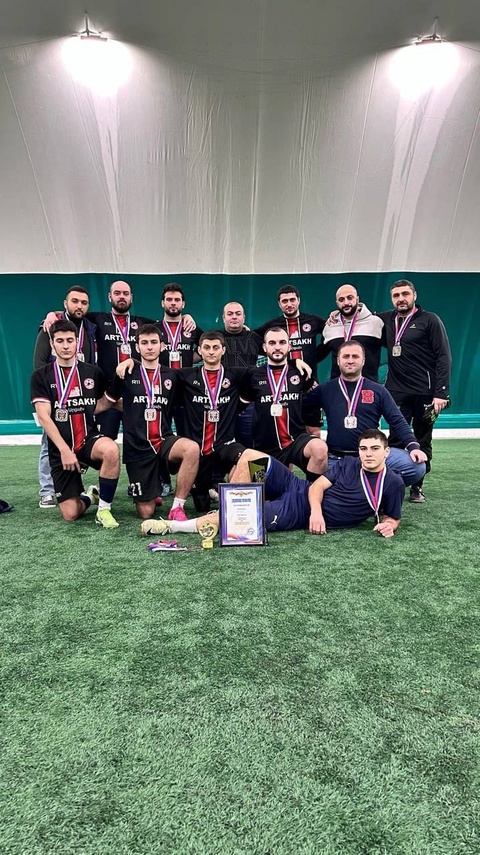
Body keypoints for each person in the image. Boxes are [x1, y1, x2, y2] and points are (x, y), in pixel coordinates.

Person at [141, 429, 405, 539]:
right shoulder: (349, 464)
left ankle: (172, 526)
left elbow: (392, 517)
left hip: (297, 511)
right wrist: (317, 513)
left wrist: (389, 526)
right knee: (251, 457)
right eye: (363, 448)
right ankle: (234, 506)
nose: (368, 454)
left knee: (242, 519)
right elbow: (317, 487)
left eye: (374, 449)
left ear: (386, 452)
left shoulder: (393, 483)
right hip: (300, 490)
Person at [104, 325, 199, 521]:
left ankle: (177, 507)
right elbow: (109, 401)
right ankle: (151, 492)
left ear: (162, 346)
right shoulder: (126, 373)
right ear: (137, 347)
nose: (149, 347)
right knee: (146, 513)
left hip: (163, 440)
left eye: (154, 342)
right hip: (137, 447)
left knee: (191, 448)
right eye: (144, 343)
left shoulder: (172, 376)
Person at [31, 320, 121, 527]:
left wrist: (137, 407)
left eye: (70, 340)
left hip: (88, 439)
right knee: (70, 514)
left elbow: (103, 402)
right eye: (60, 341)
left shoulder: (92, 372)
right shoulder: (40, 376)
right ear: (52, 344)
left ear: (77, 342)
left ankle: (104, 510)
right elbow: (44, 417)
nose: (65, 345)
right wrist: (64, 450)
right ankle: (90, 497)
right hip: (61, 448)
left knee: (110, 449)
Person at [304, 340, 427, 485]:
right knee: (325, 488)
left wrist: (413, 446)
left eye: (355, 356)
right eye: (346, 356)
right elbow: (299, 407)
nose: (350, 360)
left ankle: (375, 486)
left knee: (417, 467)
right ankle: (359, 485)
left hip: (371, 455)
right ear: (338, 361)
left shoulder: (378, 390)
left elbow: (397, 421)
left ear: (363, 361)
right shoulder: (325, 390)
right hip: (336, 458)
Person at [377, 280, 452, 502]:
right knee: (395, 438)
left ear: (414, 295)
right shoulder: (387, 319)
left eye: (405, 294)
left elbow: (444, 356)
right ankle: (391, 484)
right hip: (396, 391)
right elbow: (361, 315)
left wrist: (441, 392)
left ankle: (417, 486)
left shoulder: (430, 320)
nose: (401, 299)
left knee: (422, 438)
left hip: (426, 392)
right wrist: (335, 315)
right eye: (396, 295)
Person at [34, 285, 97, 508]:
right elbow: (39, 363)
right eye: (75, 301)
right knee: (49, 442)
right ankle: (47, 490)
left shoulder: (90, 327)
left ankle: (76, 489)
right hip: (56, 395)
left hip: (80, 394)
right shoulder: (51, 326)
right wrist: (51, 391)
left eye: (84, 303)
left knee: (80, 440)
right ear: (65, 304)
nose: (79, 306)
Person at [246, 327, 328, 479]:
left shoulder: (301, 372)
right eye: (272, 343)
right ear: (264, 347)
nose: (277, 347)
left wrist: (314, 426)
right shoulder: (253, 374)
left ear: (289, 346)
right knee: (260, 488)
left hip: (295, 441)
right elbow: (241, 405)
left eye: (282, 342)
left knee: (320, 448)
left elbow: (315, 399)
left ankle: (312, 490)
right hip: (263, 446)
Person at [254, 285, 326, 435]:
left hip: (310, 385)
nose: (289, 304)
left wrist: (315, 356)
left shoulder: (313, 321)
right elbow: (252, 340)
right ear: (279, 304)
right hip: (284, 388)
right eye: (285, 301)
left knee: (314, 432)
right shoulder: (272, 325)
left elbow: (331, 336)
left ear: (299, 300)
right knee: (286, 428)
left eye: (292, 300)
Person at [316, 283, 384, 381]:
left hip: (367, 386)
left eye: (350, 298)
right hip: (338, 387)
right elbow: (318, 355)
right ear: (337, 303)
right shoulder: (330, 326)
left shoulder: (375, 323)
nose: (346, 302)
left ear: (357, 299)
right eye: (341, 300)